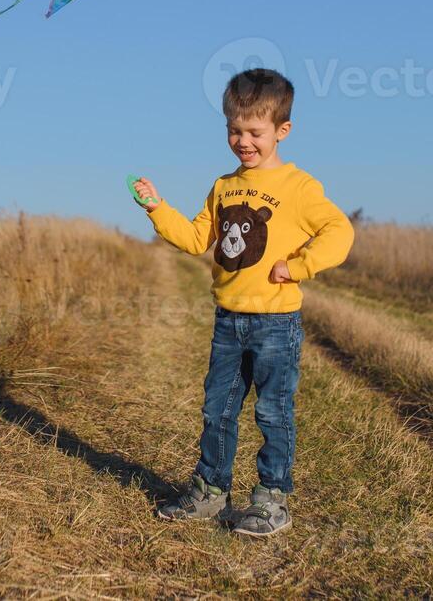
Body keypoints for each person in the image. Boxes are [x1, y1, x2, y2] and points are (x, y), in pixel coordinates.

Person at [133, 67, 354, 537]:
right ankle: (211, 492)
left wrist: (298, 267)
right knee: (218, 409)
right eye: (234, 129)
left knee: (273, 411)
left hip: (276, 323)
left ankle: (271, 500)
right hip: (229, 320)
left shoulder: (299, 186)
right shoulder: (223, 187)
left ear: (282, 131)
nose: (243, 140)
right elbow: (197, 239)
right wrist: (157, 208)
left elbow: (340, 231)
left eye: (255, 131)